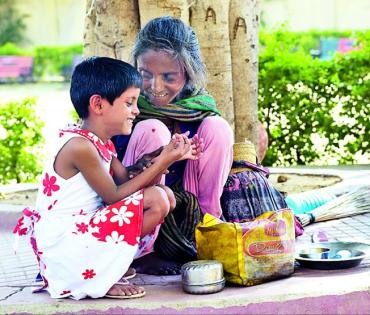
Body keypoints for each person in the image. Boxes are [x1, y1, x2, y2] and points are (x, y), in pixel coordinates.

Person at [13, 56, 202, 300]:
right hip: (65, 247)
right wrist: (163, 162)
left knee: (165, 196)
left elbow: (126, 181)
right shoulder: (79, 146)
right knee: (158, 199)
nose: (136, 110)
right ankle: (102, 275)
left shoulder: (100, 143)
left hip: (80, 236)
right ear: (98, 105)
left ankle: (106, 266)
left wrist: (161, 157)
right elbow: (114, 197)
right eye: (130, 103)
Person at [113, 16, 234, 274]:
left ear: (188, 72)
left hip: (185, 205)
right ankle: (145, 250)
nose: (155, 87)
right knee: (151, 128)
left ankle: (206, 230)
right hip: (140, 207)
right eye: (146, 75)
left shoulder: (199, 107)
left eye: (168, 76)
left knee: (218, 127)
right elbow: (111, 171)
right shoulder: (126, 107)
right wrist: (145, 163)